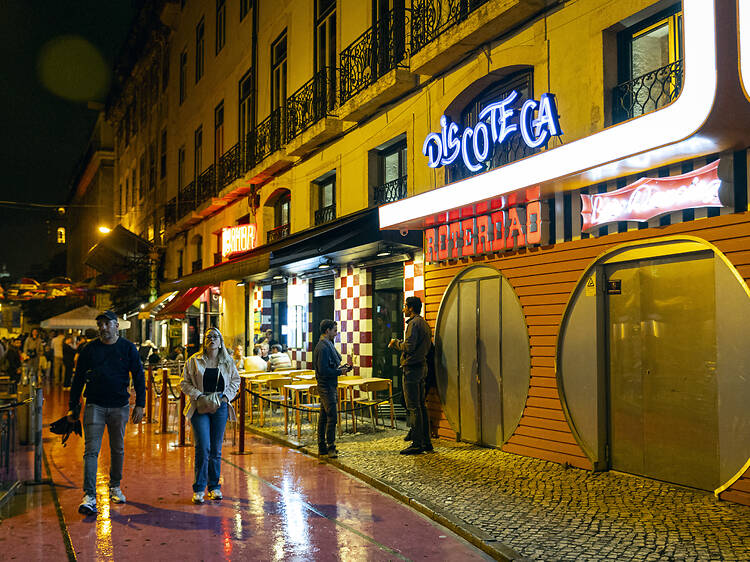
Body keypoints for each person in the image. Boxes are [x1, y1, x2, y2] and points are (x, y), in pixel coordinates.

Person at [67, 311, 145, 516]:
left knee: (117, 449)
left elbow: (139, 375)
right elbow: (78, 379)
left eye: (107, 323)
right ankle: (89, 495)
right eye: (100, 324)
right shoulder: (89, 349)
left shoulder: (127, 348)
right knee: (91, 451)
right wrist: (73, 406)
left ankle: (115, 486)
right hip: (95, 405)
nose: (103, 327)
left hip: (119, 406)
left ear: (116, 326)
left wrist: (140, 404)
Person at [180, 327, 240, 504]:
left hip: (220, 405)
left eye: (215, 337)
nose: (211, 339)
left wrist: (226, 397)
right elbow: (184, 382)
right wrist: (198, 395)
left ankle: (214, 487)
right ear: (204, 342)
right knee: (203, 447)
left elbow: (236, 380)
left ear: (220, 342)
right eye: (208, 337)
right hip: (200, 405)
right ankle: (199, 488)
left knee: (216, 448)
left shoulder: (227, 362)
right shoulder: (194, 361)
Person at [388, 296, 434, 455]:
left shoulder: (413, 324)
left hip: (412, 369)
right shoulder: (423, 323)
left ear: (411, 308)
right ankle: (426, 442)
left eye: (405, 306)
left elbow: (409, 346)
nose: (403, 309)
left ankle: (417, 443)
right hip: (422, 366)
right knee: (421, 406)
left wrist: (396, 344)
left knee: (413, 407)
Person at [313, 320, 352, 458]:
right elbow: (324, 371)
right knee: (332, 417)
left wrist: (342, 369)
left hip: (329, 385)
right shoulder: (323, 347)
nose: (336, 334)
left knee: (324, 416)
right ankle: (330, 447)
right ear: (327, 330)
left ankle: (322, 446)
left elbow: (328, 368)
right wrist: (340, 372)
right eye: (334, 330)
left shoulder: (326, 344)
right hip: (326, 386)